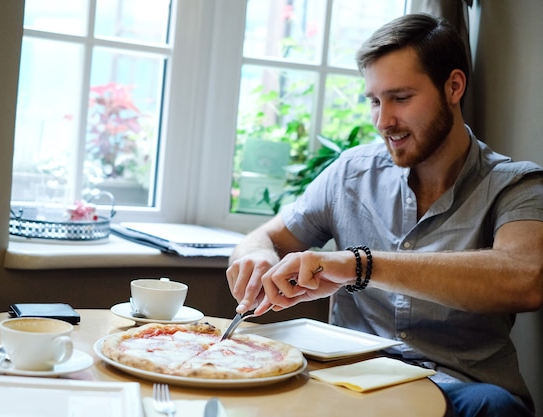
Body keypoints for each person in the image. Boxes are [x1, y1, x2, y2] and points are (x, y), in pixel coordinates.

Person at [226, 13, 542, 417]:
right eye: (374, 101)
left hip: (463, 392)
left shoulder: (516, 185)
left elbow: (525, 278)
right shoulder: (350, 173)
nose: (383, 121)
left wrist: (360, 266)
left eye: (401, 98)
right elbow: (263, 239)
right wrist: (257, 257)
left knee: (495, 408)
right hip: (350, 385)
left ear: (454, 87)